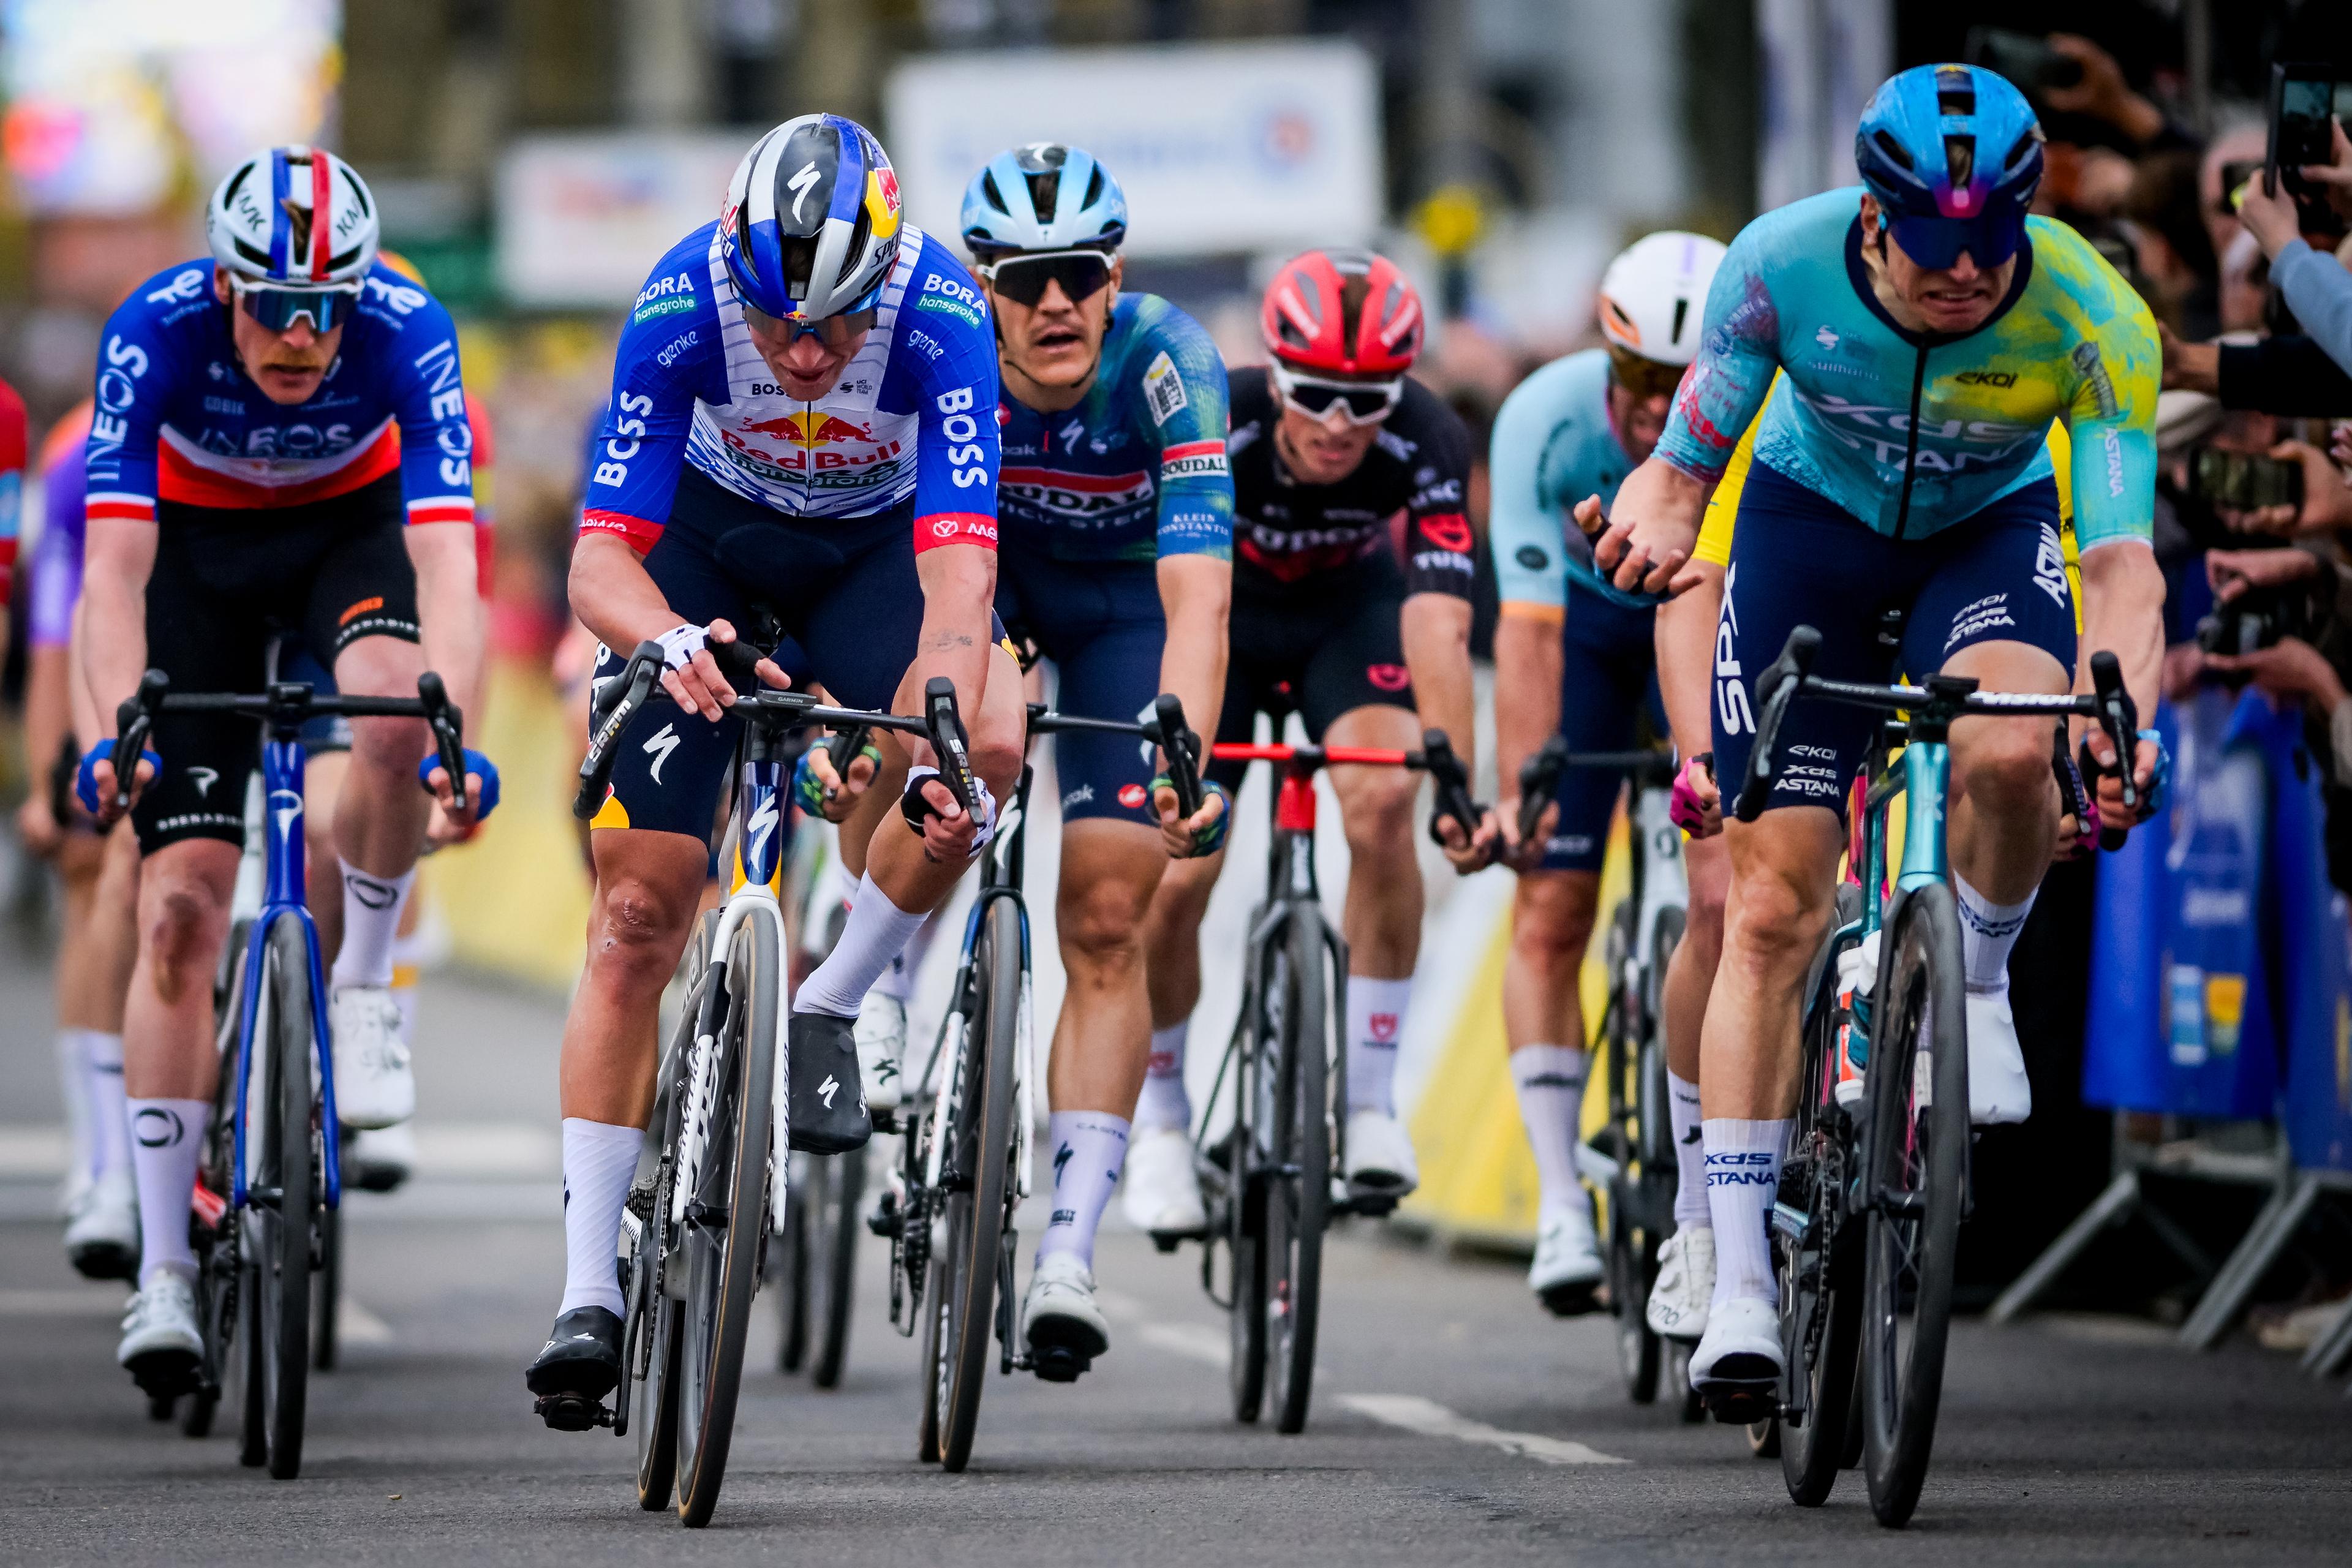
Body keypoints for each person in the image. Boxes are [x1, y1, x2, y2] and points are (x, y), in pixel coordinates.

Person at [1587, 64, 2166, 1417]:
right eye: (1931, 245)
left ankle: (1977, 982)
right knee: (1769, 907)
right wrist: (1654, 519)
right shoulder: (1778, 265)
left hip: (1988, 533)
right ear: (1871, 217)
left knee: (2013, 751)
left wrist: (2125, 709)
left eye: (1994, 243)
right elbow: (1680, 472)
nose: (1965, 274)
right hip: (1811, 532)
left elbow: (2123, 562)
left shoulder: (2093, 311)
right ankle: (1740, 1282)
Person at [528, 113, 1027, 1419]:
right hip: (704, 552)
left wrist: (937, 724)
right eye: (778, 325)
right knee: (636, 916)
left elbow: (959, 574)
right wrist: (664, 636)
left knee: (980, 746)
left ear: (885, 279)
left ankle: (831, 1001)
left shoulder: (944, 317)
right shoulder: (682, 301)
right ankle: (586, 1292)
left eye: (836, 326)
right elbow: (598, 560)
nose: (805, 356)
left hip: (872, 557)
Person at [79, 145, 495, 1396]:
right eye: (274, 305)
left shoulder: (409, 327)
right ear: (224, 286)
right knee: (179, 906)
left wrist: (453, 733)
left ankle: (359, 985)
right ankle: (164, 1267)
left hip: (342, 540)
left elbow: (451, 566)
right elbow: (112, 575)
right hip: (195, 559)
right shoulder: (151, 329)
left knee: (391, 720)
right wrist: (112, 734)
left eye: (327, 308)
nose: (302, 336)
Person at [956, 142, 1234, 1376]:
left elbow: (1199, 601)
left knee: (1113, 915)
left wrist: (1181, 759)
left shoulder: (1170, 360)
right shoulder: (950, 354)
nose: (1057, 301)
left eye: (1081, 274)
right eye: (1026, 281)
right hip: (997, 592)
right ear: (987, 289)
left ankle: (1068, 1247)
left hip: (1126, 612)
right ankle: (881, 994)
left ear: (1116, 279)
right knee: (947, 753)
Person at [1142, 248, 1493, 1205]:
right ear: (1275, 376)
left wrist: (1456, 790)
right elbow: (1174, 595)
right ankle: (1162, 1118)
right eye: (1316, 397)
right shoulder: (1220, 412)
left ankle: (1371, 1101)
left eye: (1367, 402)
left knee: (1383, 803)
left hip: (1349, 615)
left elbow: (1440, 619)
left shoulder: (1429, 434)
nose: (1340, 425)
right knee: (1179, 870)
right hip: (1225, 619)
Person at [1487, 231, 1725, 1317]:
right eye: (1636, 375)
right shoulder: (1545, 417)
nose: (1658, 405)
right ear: (1605, 352)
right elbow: (1528, 633)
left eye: (1686, 382)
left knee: (1728, 893)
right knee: (1551, 907)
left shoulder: (1763, 427)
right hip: (1583, 632)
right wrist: (1522, 792)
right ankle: (1559, 1202)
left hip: (1704, 617)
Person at [21, 399, 147, 1280]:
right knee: (94, 862)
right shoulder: (79, 461)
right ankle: (101, 1151)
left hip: (229, 614)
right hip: (106, 624)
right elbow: (55, 638)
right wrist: (48, 785)